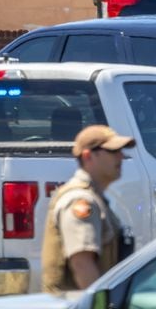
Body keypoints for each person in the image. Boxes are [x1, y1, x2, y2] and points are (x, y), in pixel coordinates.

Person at [41, 125, 135, 293]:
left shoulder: (94, 197)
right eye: (113, 151)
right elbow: (82, 264)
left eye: (121, 151)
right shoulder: (80, 200)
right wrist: (99, 305)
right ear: (88, 156)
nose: (121, 157)